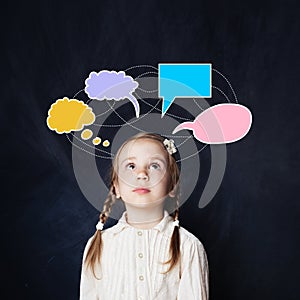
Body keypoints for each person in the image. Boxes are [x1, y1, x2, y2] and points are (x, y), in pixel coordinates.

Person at [80, 132, 209, 299]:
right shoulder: (99, 245)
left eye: (154, 166)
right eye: (131, 166)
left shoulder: (188, 246)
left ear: (172, 187)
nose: (142, 174)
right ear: (116, 187)